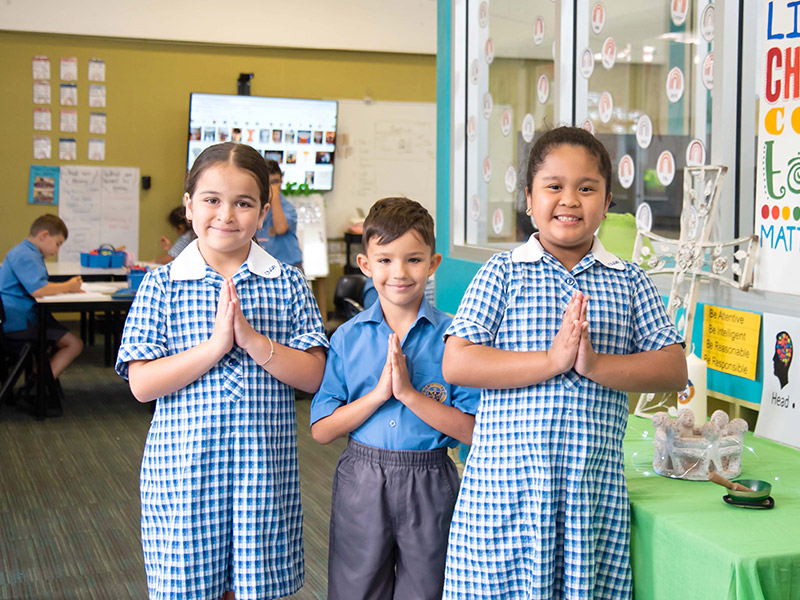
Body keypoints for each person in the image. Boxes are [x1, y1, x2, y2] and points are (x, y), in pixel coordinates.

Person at [440, 127, 688, 599]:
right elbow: (458, 362)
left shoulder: (629, 280)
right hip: (504, 496)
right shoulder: (503, 272)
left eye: (586, 187)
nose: (569, 199)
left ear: (608, 201)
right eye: (553, 186)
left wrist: (594, 366)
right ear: (530, 200)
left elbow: (672, 368)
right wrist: (553, 360)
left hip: (588, 499)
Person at [115, 142, 328, 600]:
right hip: (184, 476)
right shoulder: (163, 283)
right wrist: (215, 347)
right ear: (189, 206)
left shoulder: (288, 282)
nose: (226, 214)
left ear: (264, 211)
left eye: (244, 203)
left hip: (262, 476)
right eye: (212, 199)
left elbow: (314, 376)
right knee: (187, 588)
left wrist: (253, 341)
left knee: (255, 589)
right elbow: (142, 384)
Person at [310, 197, 480, 600]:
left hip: (432, 478)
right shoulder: (347, 337)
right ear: (366, 265)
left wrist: (408, 394)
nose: (399, 273)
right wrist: (377, 396)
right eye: (385, 260)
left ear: (433, 263)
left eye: (414, 260)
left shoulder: (455, 338)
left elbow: (475, 431)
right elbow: (321, 431)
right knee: (356, 587)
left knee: (428, 589)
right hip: (362, 478)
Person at [0, 214, 84, 416]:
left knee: (64, 339)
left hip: (17, 318)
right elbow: (39, 290)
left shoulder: (24, 251)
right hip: (20, 322)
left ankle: (37, 381)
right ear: (44, 235)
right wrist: (69, 286)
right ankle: (35, 388)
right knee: (74, 343)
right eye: (57, 244)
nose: (56, 251)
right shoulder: (26, 254)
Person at [255, 160, 303, 269]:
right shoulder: (255, 206)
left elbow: (281, 229)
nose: (272, 187)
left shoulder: (287, 207)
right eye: (268, 183)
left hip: (289, 266)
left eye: (275, 182)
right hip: (264, 266)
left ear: (281, 182)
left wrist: (275, 196)